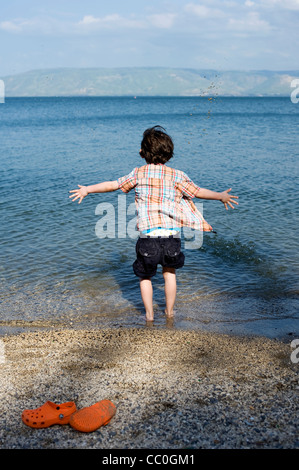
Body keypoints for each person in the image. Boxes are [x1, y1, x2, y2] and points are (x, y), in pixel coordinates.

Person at [69, 126, 238, 322]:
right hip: (171, 237)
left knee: (145, 277)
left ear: (142, 153)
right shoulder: (177, 175)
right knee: (170, 274)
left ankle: (149, 316)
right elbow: (197, 191)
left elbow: (113, 185)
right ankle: (170, 312)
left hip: (148, 238)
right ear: (169, 153)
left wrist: (88, 189)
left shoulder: (138, 174)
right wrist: (220, 196)